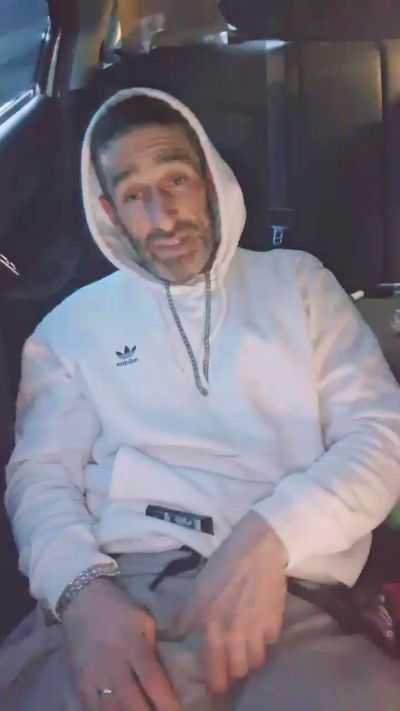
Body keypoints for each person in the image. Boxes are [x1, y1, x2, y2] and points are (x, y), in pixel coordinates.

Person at [1, 87, 400, 711]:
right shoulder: (68, 330)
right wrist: (81, 596)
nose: (162, 217)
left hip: (292, 595)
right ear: (109, 211)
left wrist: (267, 539)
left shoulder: (299, 284)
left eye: (176, 180)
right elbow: (40, 480)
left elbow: (381, 437)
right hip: (119, 595)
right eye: (135, 195)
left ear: (212, 180)